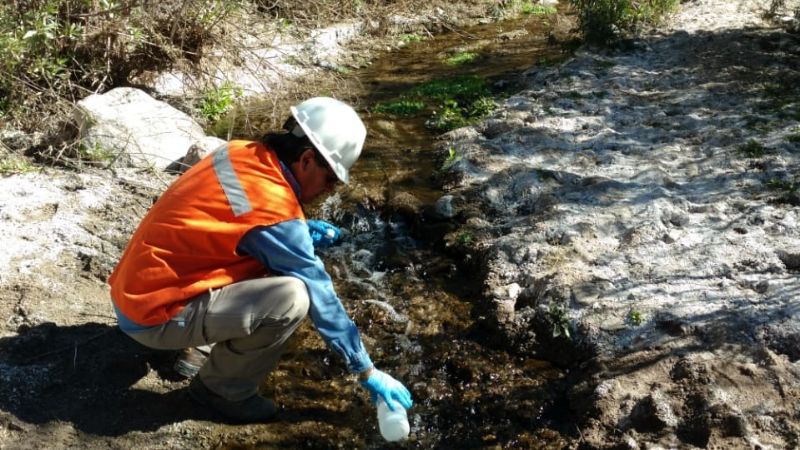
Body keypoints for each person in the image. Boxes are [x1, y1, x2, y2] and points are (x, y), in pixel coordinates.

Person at [108, 97, 413, 423]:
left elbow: (232, 217)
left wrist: (301, 229)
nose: (329, 189)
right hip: (155, 315)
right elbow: (320, 293)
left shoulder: (240, 153)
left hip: (136, 291)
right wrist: (365, 369)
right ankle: (220, 392)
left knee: (270, 265)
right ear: (307, 160)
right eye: (331, 180)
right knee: (293, 297)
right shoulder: (273, 208)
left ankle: (198, 345)